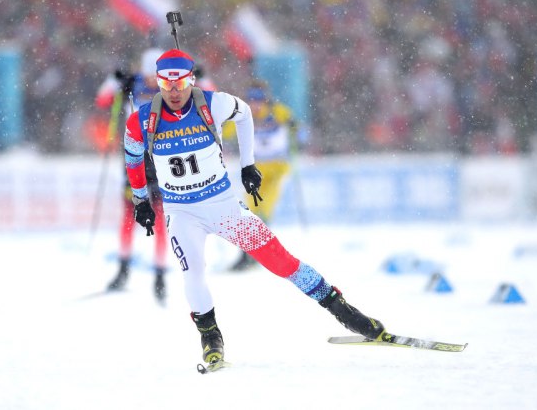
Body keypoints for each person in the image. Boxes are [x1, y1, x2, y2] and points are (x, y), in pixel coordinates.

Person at [124, 49, 386, 366]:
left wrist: (248, 164)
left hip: (223, 207)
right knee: (192, 274)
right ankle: (211, 338)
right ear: (158, 82)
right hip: (182, 213)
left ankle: (344, 311)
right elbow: (133, 157)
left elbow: (245, 113)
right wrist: (140, 199)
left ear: (191, 80)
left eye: (180, 83)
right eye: (167, 84)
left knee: (281, 261)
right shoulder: (141, 120)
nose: (174, 92)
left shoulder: (213, 103)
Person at [95, 48, 168, 303]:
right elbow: (103, 100)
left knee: (160, 216)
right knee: (130, 213)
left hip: (160, 156)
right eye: (148, 75)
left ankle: (160, 274)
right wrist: (114, 80)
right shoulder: (131, 84)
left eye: (156, 76)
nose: (151, 81)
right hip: (134, 155)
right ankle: (123, 269)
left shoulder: (171, 88)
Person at [227, 80, 297, 271]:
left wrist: (293, 127)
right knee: (250, 211)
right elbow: (227, 131)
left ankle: (256, 254)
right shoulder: (244, 115)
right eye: (251, 100)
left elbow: (295, 126)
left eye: (258, 100)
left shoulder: (277, 112)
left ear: (266, 100)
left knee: (264, 209)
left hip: (277, 170)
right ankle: (249, 254)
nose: (255, 104)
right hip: (255, 171)